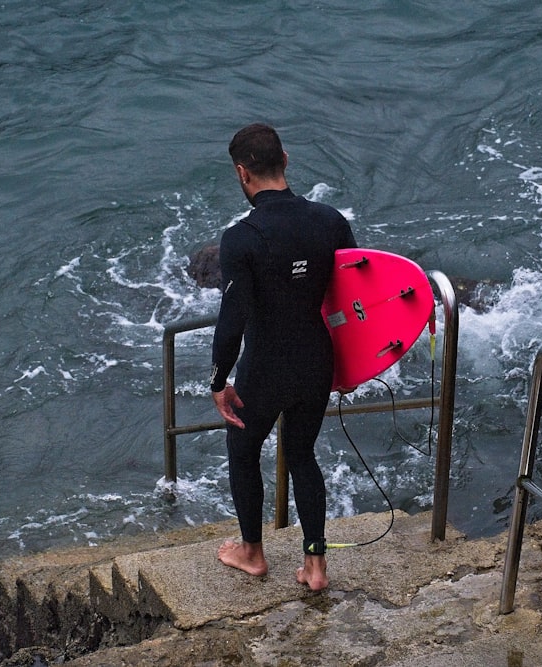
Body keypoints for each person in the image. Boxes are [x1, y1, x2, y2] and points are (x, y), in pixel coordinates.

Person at [209, 123, 356, 591]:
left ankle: (252, 553)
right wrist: (353, 365)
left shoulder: (241, 238)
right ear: (286, 160)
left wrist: (218, 381)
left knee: (243, 449)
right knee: (303, 455)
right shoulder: (330, 221)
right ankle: (315, 566)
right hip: (317, 359)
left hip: (266, 366)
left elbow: (233, 318)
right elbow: (357, 299)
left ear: (241, 173)